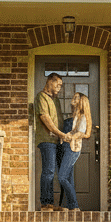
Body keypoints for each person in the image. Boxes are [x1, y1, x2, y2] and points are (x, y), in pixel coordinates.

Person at [34, 72, 71, 211]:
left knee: (62, 173)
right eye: (58, 84)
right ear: (50, 81)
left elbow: (59, 120)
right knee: (49, 171)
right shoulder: (41, 97)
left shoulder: (56, 100)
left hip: (59, 140)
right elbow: (45, 118)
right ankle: (46, 204)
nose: (60, 88)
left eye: (61, 85)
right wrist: (61, 134)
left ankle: (60, 204)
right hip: (47, 140)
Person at [57, 91, 92, 211]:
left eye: (76, 97)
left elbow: (81, 133)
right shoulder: (74, 116)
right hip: (65, 147)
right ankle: (70, 206)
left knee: (62, 177)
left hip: (72, 148)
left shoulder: (83, 117)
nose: (73, 98)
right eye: (74, 97)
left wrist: (69, 136)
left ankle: (74, 205)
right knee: (68, 177)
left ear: (81, 102)